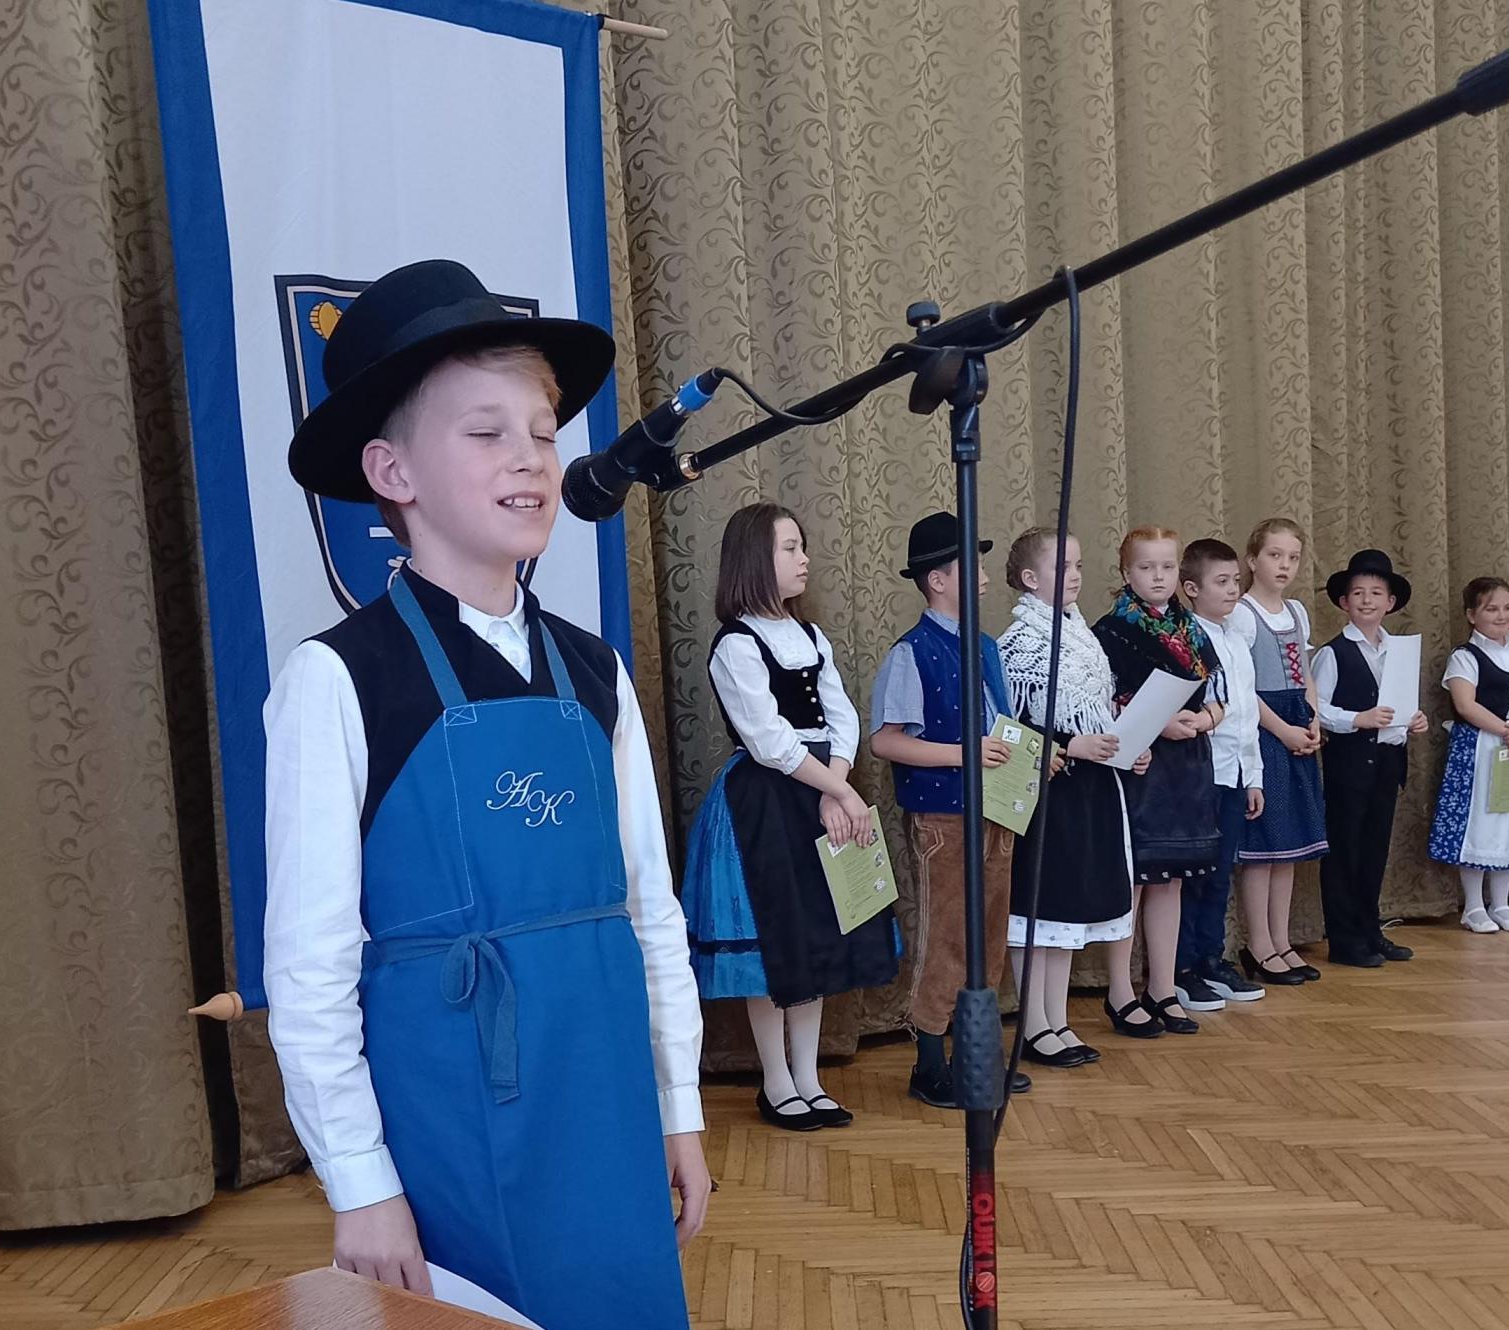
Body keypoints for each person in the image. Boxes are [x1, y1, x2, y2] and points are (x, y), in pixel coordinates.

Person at [262, 260, 706, 1328]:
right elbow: (310, 966)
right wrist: (360, 1182)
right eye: (486, 432)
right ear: (392, 470)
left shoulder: (595, 671)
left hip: (604, 1091)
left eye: (544, 432)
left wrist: (678, 1104)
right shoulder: (338, 679)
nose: (531, 459)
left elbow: (650, 908)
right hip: (451, 1113)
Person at [682, 502, 897, 1131]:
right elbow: (769, 739)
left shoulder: (811, 635)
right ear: (755, 558)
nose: (804, 559)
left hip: (820, 791)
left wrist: (837, 788)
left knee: (818, 936)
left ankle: (809, 1076)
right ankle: (775, 1081)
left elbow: (843, 716)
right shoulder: (736, 644)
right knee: (776, 940)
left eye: (802, 547)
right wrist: (839, 791)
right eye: (790, 548)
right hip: (766, 804)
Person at [871, 512, 1031, 1106]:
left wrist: (1029, 757)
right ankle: (928, 1063)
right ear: (937, 580)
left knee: (989, 934)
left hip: (996, 813)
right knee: (946, 936)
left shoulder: (985, 648)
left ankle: (975, 1055)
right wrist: (966, 752)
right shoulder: (912, 653)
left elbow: (999, 727)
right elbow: (885, 741)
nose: (984, 577)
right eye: (972, 565)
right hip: (943, 817)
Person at [998, 529, 1147, 1068]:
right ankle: (1032, 1024)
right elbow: (1008, 726)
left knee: (1067, 915)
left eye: (1079, 565)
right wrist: (1068, 744)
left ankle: (1056, 1018)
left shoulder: (1081, 635)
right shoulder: (1019, 644)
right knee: (1041, 909)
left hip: (1090, 786)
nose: (1076, 576)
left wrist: (1123, 744)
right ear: (1030, 578)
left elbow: (1097, 711)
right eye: (1062, 567)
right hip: (1048, 790)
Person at [1092, 526, 1226, 1037]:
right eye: (1146, 567)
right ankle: (1120, 990)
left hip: (1188, 764)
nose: (1158, 577)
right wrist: (1159, 722)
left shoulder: (1190, 627)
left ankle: (1163, 987)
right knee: (1135, 881)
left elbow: (1219, 694)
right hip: (1141, 762)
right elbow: (1103, 701)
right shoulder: (1111, 631)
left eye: (1167, 567)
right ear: (1126, 572)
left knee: (1171, 880)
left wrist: (1205, 719)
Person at [1310, 549, 1430, 968]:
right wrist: (1356, 719)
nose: (1367, 600)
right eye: (1358, 592)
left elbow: (1398, 704)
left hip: (1387, 763)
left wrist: (1413, 720)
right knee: (1345, 851)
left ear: (1390, 602)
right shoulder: (1333, 653)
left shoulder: (1399, 651)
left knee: (1375, 850)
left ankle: (1369, 929)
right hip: (1348, 766)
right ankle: (1344, 939)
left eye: (1376, 593)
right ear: (1344, 602)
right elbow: (1317, 708)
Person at [1227, 518, 1328, 984]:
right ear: (1253, 560)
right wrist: (1283, 730)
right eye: (1274, 555)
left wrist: (1311, 717)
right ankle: (1259, 944)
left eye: (1293, 557)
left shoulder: (1297, 612)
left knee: (1288, 846)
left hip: (1295, 726)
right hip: (1265, 730)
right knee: (1264, 846)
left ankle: (1282, 940)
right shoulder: (1243, 614)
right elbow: (1243, 689)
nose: (1284, 565)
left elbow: (1304, 672)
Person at [1175, 539, 1268, 1010]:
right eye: (1222, 582)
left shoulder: (1237, 637)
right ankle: (1180, 969)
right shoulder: (1187, 638)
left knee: (1219, 873)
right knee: (1192, 874)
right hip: (1200, 772)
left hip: (1235, 772)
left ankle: (1211, 959)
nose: (1233, 590)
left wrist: (1254, 776)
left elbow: (1246, 712)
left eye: (1235, 581)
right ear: (1191, 588)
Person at [1429, 577, 1509, 932]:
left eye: (1507, 608)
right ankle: (1473, 906)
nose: (1501, 615)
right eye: (1491, 609)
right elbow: (1465, 704)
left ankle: (1500, 904)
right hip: (1482, 747)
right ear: (1472, 615)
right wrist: (1505, 730)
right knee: (1482, 822)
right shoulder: (1465, 657)